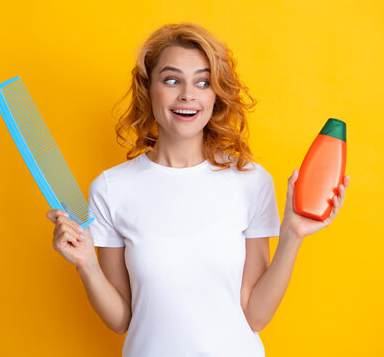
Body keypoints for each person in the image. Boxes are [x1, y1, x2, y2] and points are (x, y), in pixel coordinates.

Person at [46, 22, 350, 357]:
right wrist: (86, 264)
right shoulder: (111, 188)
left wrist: (292, 233)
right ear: (149, 89)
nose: (188, 94)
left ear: (215, 95)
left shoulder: (249, 180)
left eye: (203, 82)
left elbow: (255, 315)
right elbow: (121, 319)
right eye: (172, 80)